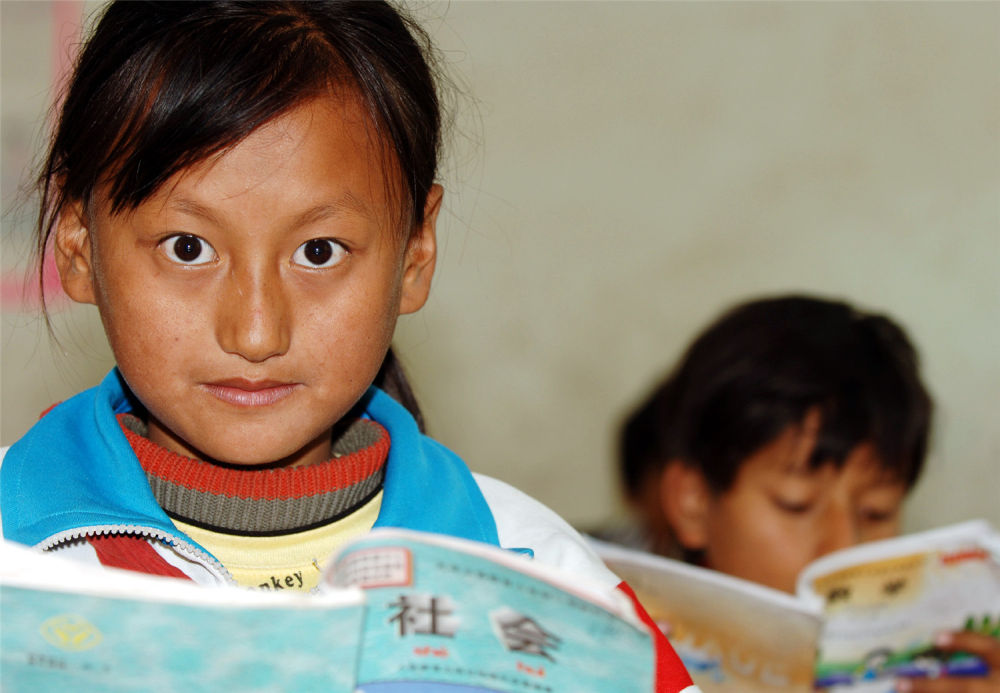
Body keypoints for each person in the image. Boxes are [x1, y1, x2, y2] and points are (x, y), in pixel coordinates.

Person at [0, 3, 697, 691]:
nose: (256, 332)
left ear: (415, 253)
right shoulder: (13, 549)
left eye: (319, 251)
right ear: (78, 245)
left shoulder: (543, 582)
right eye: (188, 248)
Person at [612, 294, 999, 692]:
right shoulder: (608, 659)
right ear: (691, 503)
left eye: (876, 512)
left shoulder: (926, 679)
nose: (842, 547)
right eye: (795, 505)